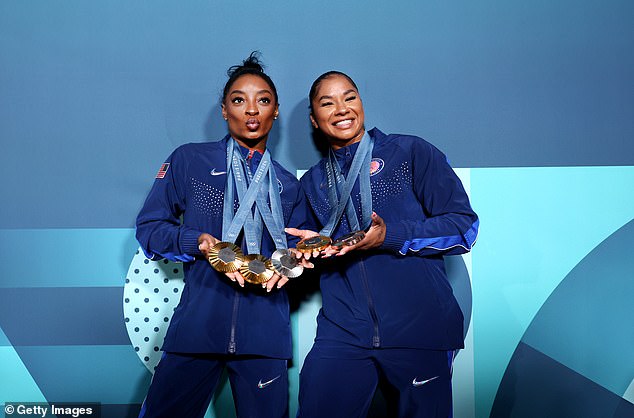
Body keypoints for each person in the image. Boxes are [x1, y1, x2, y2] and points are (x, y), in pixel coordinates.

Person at [287, 71, 479, 418]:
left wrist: (388, 235)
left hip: (419, 327)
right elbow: (307, 248)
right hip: (344, 331)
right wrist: (300, 252)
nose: (341, 109)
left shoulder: (410, 151)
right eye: (327, 103)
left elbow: (463, 227)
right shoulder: (314, 181)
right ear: (315, 120)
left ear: (361, 103)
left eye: (349, 97)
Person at [135, 52, 313, 418]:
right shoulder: (189, 160)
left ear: (275, 110)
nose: (251, 110)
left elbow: (296, 254)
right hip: (196, 331)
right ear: (223, 110)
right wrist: (198, 243)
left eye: (263, 100)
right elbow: (150, 229)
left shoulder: (287, 184)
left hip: (265, 338)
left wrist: (297, 260)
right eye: (239, 100)